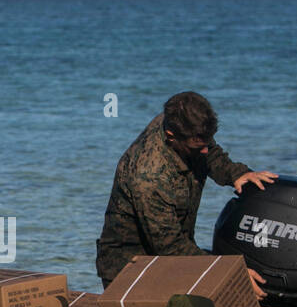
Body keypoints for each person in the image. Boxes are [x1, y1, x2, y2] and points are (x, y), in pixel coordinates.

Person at [95, 91, 278, 296]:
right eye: (197, 147)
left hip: (169, 254)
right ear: (171, 137)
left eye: (207, 142)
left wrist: (236, 173)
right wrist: (230, 272)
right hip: (130, 270)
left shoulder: (181, 126)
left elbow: (209, 151)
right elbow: (171, 248)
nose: (205, 152)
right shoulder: (148, 177)